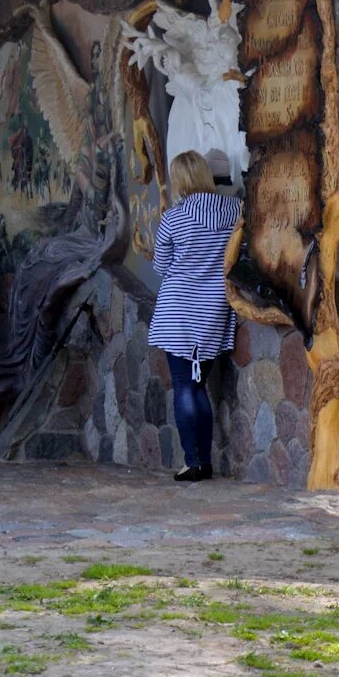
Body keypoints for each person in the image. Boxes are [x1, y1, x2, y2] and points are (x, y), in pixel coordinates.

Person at [148, 150, 241, 482]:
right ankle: (203, 461)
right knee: (197, 386)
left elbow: (160, 266)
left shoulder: (173, 218)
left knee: (185, 388)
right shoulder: (234, 211)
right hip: (214, 310)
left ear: (181, 180)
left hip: (178, 311)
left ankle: (194, 461)